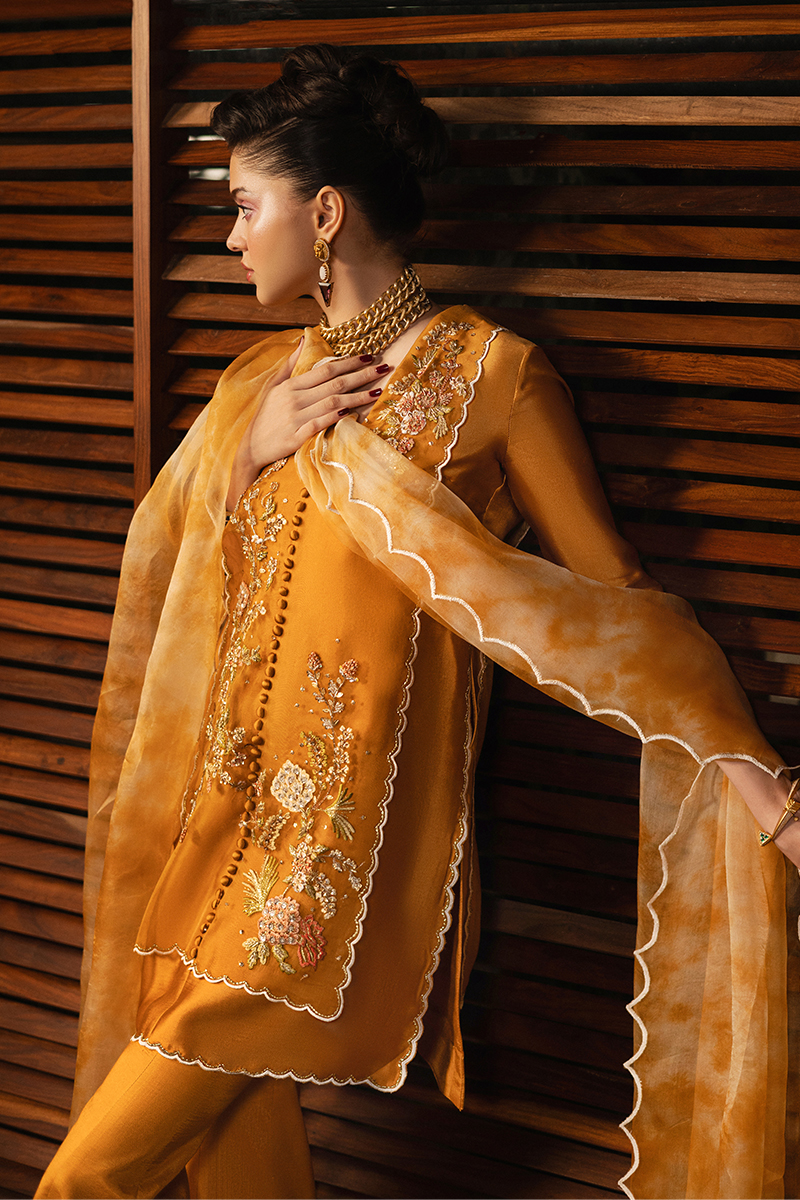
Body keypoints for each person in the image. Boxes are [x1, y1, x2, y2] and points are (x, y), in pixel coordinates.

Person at [37, 44, 797, 1200]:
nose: (231, 238)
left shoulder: (495, 376)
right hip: (213, 836)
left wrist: (758, 788)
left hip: (328, 872)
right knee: (236, 1168)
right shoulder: (258, 387)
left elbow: (613, 608)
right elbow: (189, 584)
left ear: (323, 213)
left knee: (84, 1180)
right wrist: (244, 458)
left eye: (244, 206)